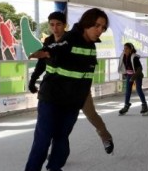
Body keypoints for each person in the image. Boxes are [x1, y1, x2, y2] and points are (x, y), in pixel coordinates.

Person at [19, 8, 109, 171]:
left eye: (103, 27)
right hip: (51, 98)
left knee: (61, 138)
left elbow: (85, 78)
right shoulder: (71, 38)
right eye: (97, 25)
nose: (100, 30)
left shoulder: (91, 47)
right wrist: (46, 52)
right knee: (43, 138)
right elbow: (59, 47)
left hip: (72, 103)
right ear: (87, 23)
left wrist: (79, 101)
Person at [28, 11, 114, 155]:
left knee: (91, 114)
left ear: (65, 25)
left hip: (78, 88)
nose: (55, 28)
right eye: (52, 25)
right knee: (57, 123)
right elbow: (42, 63)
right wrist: (32, 80)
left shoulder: (73, 39)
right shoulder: (49, 42)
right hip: (57, 89)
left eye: (59, 25)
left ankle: (105, 136)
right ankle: (57, 155)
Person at [119, 43, 148, 116]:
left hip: (137, 75)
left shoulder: (134, 57)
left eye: (126, 48)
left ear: (130, 49)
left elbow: (140, 69)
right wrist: (125, 74)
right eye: (124, 48)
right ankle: (126, 106)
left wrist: (133, 77)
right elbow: (124, 67)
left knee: (138, 89)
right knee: (127, 91)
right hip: (129, 75)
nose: (124, 50)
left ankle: (144, 106)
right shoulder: (123, 56)